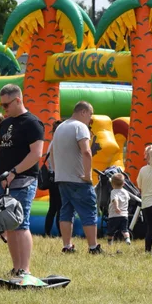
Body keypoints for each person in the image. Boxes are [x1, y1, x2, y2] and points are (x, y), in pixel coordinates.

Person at [0, 84, 45, 279]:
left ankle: (25, 269)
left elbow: (36, 154)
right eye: (1, 105)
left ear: (18, 100)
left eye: (6, 105)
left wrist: (13, 171)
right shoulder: (5, 123)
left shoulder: (32, 123)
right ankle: (16, 268)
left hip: (23, 179)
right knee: (9, 224)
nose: (3, 109)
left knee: (21, 224)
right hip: (4, 181)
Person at [52, 101, 102, 255]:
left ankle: (67, 245)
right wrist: (88, 175)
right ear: (83, 112)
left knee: (66, 211)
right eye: (90, 115)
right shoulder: (80, 127)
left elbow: (52, 153)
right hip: (78, 179)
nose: (90, 119)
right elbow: (86, 152)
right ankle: (93, 247)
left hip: (62, 178)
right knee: (89, 211)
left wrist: (57, 172)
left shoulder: (60, 127)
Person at [42, 120, 63, 238]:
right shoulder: (57, 143)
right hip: (57, 177)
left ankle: (47, 232)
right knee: (59, 207)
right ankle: (60, 233)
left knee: (53, 207)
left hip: (51, 177)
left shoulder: (52, 142)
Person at [107, 172, 131, 245]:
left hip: (114, 215)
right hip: (124, 215)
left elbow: (115, 199)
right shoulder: (126, 192)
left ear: (112, 184)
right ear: (123, 184)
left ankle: (110, 243)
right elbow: (128, 199)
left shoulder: (113, 192)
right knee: (125, 230)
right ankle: (127, 239)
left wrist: (116, 207)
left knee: (111, 231)